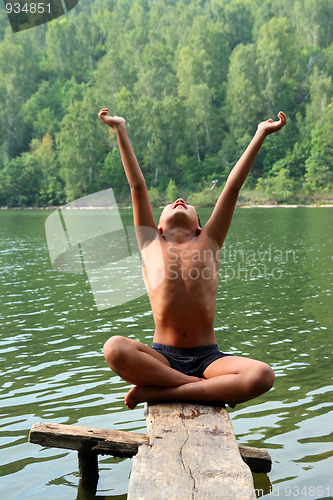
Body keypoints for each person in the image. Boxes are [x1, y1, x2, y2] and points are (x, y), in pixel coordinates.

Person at [98, 108, 287, 410]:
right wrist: (120, 129)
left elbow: (232, 187)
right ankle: (199, 388)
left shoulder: (209, 241)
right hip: (162, 357)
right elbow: (137, 186)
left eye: (187, 205)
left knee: (263, 375)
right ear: (157, 224)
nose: (180, 201)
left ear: (200, 226)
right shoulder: (150, 242)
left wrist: (260, 134)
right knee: (114, 348)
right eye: (173, 203)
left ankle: (163, 392)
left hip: (208, 358)